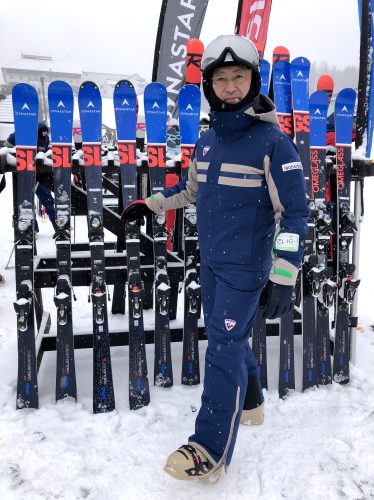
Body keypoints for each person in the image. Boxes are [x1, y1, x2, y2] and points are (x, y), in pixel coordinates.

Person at [122, 35, 310, 483]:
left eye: (238, 77)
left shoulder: (272, 143)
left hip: (245, 269)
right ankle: (252, 405)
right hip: (210, 261)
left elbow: (296, 213)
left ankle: (208, 449)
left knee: (222, 350)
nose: (229, 86)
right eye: (221, 79)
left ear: (252, 81)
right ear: (209, 87)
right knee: (231, 338)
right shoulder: (207, 141)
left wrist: (284, 276)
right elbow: (191, 191)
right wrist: (150, 205)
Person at [5, 122, 56, 233]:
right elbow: (5, 148)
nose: (43, 139)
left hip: (40, 174)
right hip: (23, 173)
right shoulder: (17, 135)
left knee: (48, 199)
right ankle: (32, 229)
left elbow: (46, 152)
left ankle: (58, 225)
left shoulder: (45, 138)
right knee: (27, 202)